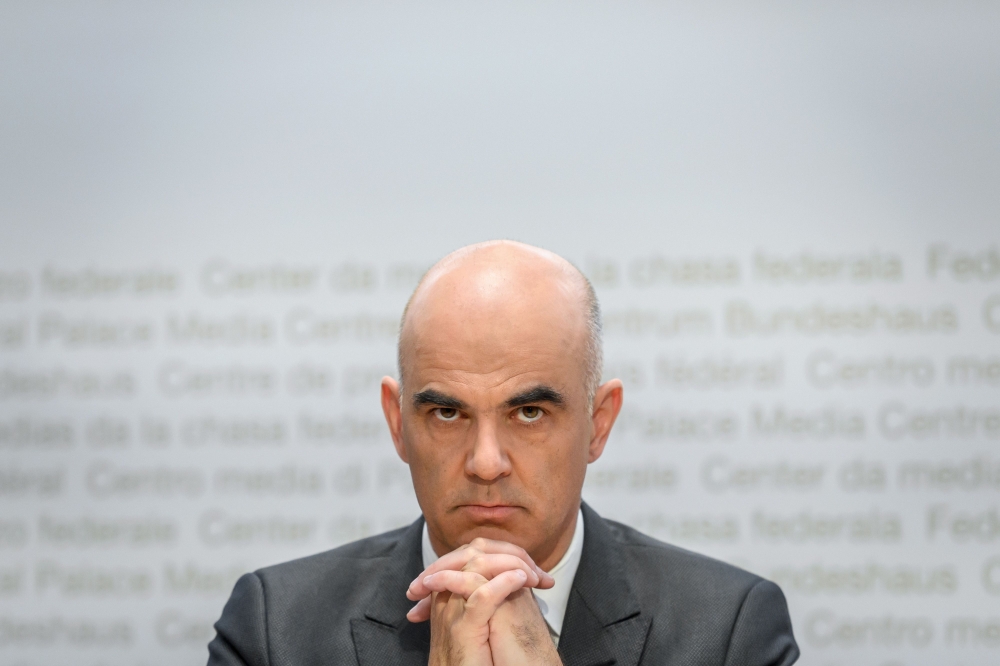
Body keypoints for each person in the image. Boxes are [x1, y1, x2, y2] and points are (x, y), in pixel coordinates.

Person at [207, 240, 799, 666]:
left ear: (598, 423)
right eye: (446, 412)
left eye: (530, 413)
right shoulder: (273, 630)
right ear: (398, 424)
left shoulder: (729, 631)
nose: (486, 463)